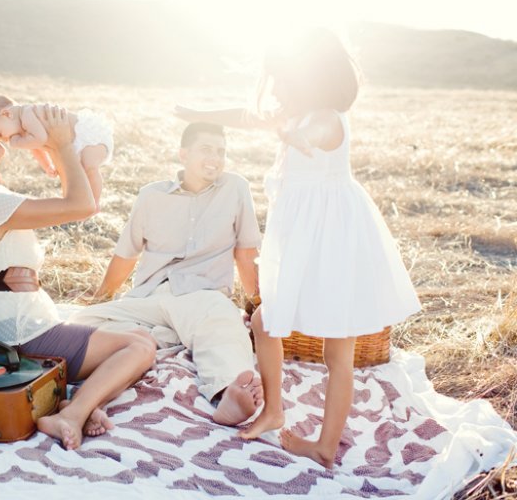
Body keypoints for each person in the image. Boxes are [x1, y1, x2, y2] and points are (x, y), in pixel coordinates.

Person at [176, 28, 421, 468]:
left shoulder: (326, 118)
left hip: (334, 243)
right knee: (265, 322)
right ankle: (273, 410)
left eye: (284, 78)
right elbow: (248, 116)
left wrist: (298, 137)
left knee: (336, 351)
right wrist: (196, 112)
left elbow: (319, 132)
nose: (278, 88)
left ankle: (325, 447)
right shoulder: (296, 113)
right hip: (303, 237)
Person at [0, 105, 155, 450]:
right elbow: (81, 207)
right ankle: (72, 414)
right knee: (140, 347)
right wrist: (60, 144)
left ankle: (83, 405)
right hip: (21, 334)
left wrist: (60, 148)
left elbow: (87, 201)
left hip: (15, 329)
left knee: (138, 336)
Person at [69, 122, 264, 427]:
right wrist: (101, 298)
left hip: (202, 296)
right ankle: (165, 340)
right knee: (82, 323)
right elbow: (126, 254)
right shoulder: (151, 195)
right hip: (149, 297)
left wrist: (256, 302)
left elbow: (246, 252)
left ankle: (228, 390)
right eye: (206, 149)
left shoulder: (235, 188)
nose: (215, 157)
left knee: (224, 323)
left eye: (221, 151)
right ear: (183, 154)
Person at [0, 95, 112, 211]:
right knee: (80, 170)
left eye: (1, 134)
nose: (6, 140)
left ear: (7, 114)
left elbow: (40, 139)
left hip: (90, 135)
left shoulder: (27, 114)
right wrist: (47, 166)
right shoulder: (24, 130)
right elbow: (36, 148)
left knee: (89, 166)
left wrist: (17, 142)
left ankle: (95, 203)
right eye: (1, 139)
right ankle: (86, 202)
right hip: (76, 142)